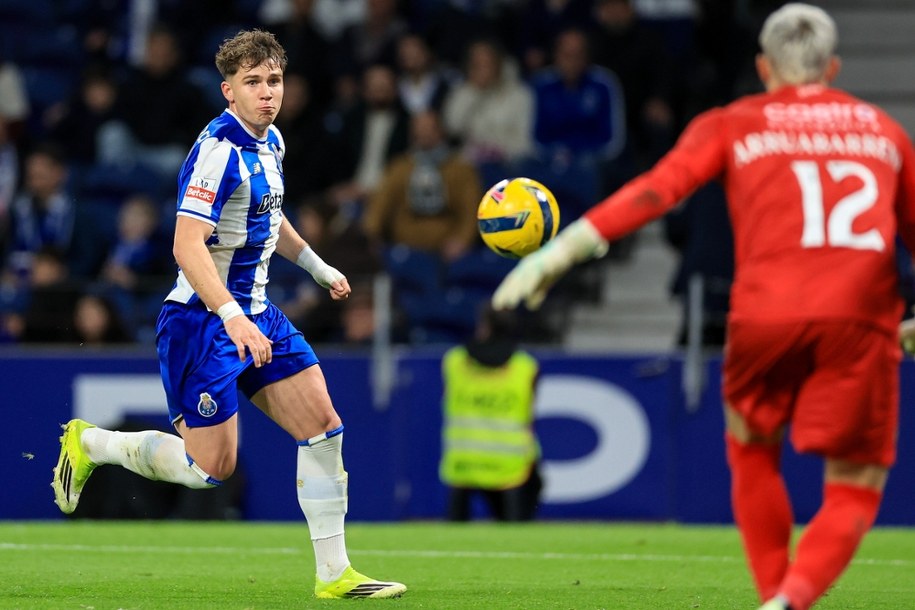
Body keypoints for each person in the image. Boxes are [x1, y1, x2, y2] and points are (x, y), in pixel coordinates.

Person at [493, 5, 915, 610]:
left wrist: (556, 255)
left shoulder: (733, 122)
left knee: (752, 450)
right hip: (861, 316)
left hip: (764, 315)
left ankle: (775, 595)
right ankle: (789, 600)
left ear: (764, 67)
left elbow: (657, 189)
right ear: (834, 67)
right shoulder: (885, 132)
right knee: (855, 487)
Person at [51, 29, 406, 599]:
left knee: (323, 429)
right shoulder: (220, 153)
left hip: (259, 315)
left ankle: (335, 574)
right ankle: (93, 444)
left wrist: (317, 267)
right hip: (202, 322)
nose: (268, 93)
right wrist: (231, 316)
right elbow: (187, 245)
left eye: (274, 81)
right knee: (208, 469)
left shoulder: (272, 142)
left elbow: (270, 216)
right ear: (228, 91)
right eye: (253, 83)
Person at [439, 305, 542, 522]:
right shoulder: (526, 367)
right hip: (511, 467)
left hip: (463, 464)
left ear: (483, 327)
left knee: (452, 542)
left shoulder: (455, 361)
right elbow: (530, 414)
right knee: (516, 539)